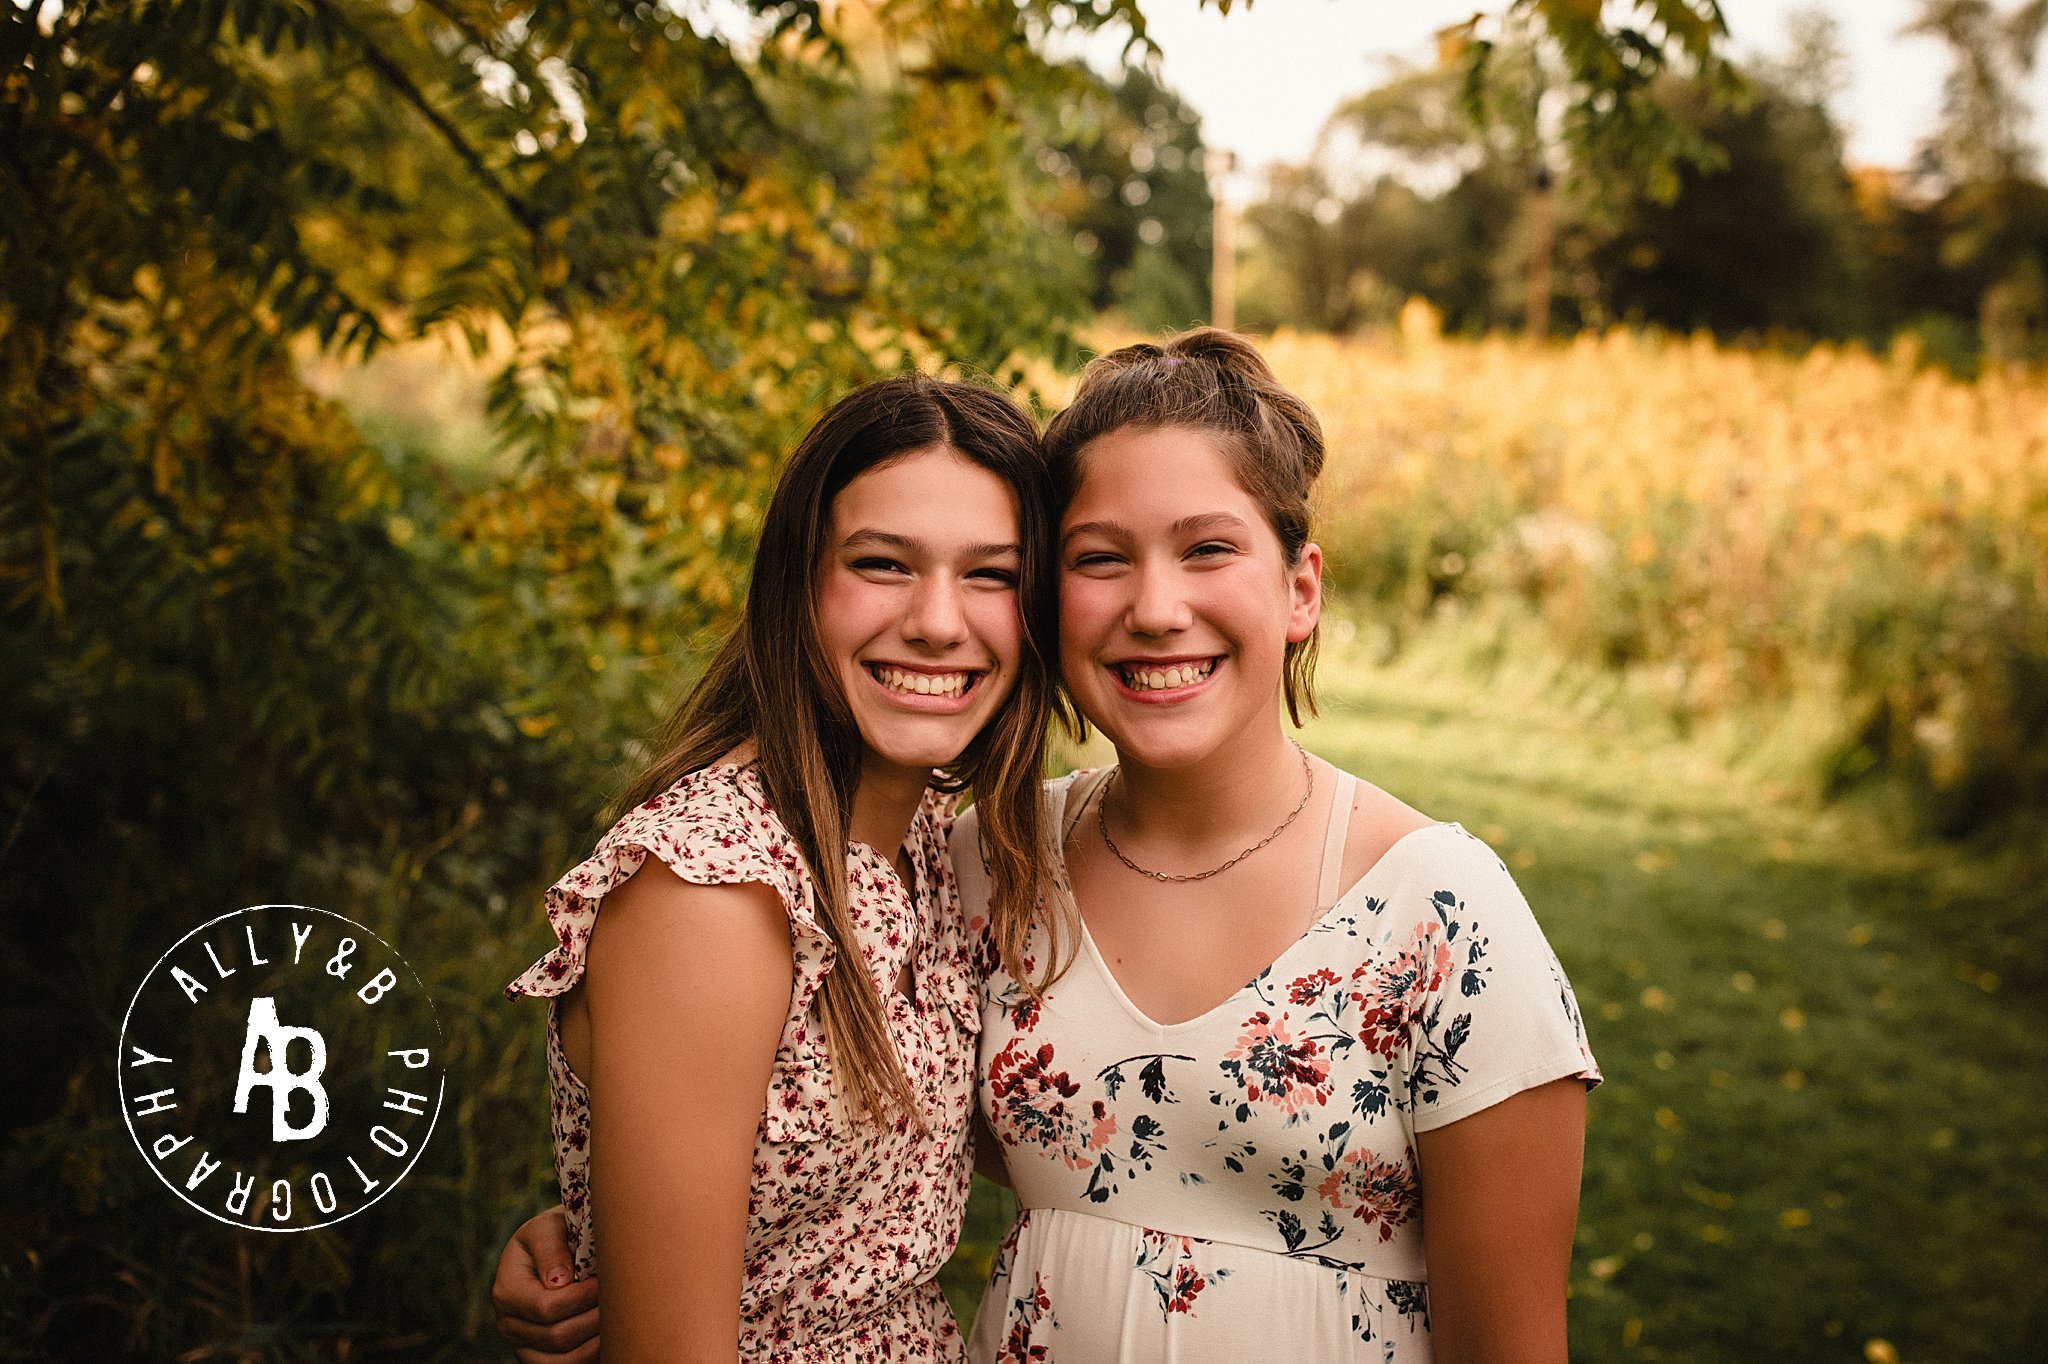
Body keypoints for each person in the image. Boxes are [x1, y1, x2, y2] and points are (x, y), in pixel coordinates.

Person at [496, 332, 1599, 1363]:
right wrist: (625, 1214)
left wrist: (630, 1205)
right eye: (1098, 558)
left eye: (1207, 548)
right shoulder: (957, 868)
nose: (1155, 607)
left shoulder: (1437, 907)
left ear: (1300, 586)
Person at [498, 374, 1062, 1363]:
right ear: (798, 583)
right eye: (883, 563)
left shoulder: (930, 837)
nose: (936, 620)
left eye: (990, 574)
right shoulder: (715, 887)